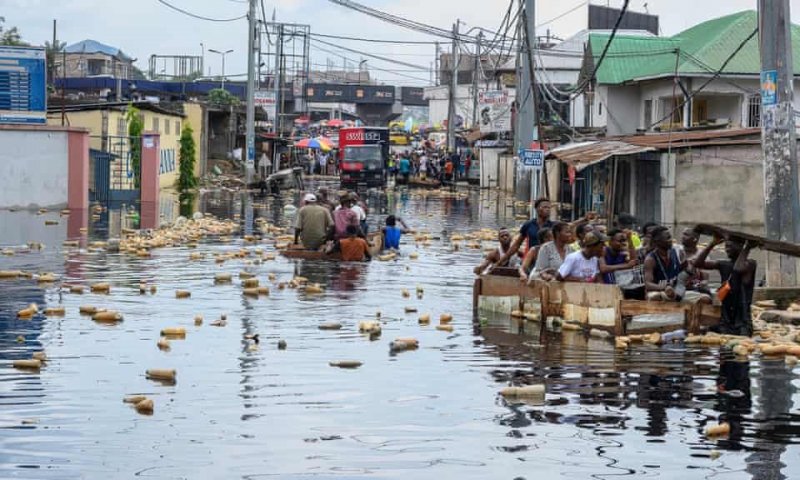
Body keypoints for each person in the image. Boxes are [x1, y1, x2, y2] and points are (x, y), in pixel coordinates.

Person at [692, 234, 757, 336]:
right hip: (725, 322)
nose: (727, 249)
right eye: (726, 246)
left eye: (730, 246)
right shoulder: (723, 264)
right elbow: (697, 263)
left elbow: (737, 269)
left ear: (740, 246)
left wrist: (747, 247)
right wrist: (712, 244)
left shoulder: (750, 264)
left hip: (742, 323)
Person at [644, 226, 710, 303]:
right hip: (660, 291)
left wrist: (689, 268)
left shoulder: (676, 252)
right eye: (668, 238)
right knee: (654, 297)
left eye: (670, 237)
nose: (671, 240)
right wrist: (665, 288)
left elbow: (683, 271)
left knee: (705, 299)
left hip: (677, 291)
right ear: (658, 241)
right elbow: (648, 284)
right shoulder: (650, 259)